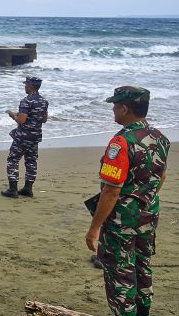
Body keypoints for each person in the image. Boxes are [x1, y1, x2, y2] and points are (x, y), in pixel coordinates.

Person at [85, 86, 169, 316]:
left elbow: (111, 191)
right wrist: (143, 198)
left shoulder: (121, 143)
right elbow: (161, 177)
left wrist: (94, 228)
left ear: (125, 108)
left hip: (122, 221)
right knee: (142, 267)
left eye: (115, 105)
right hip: (149, 214)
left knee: (120, 276)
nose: (112, 109)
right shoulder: (160, 138)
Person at [1, 76, 49, 198]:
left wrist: (13, 115)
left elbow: (21, 120)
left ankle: (13, 190)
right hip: (35, 136)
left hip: (23, 137)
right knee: (31, 161)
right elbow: (44, 119)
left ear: (30, 86)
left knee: (13, 160)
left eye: (26, 84)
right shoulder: (44, 101)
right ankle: (28, 188)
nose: (25, 86)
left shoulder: (26, 101)